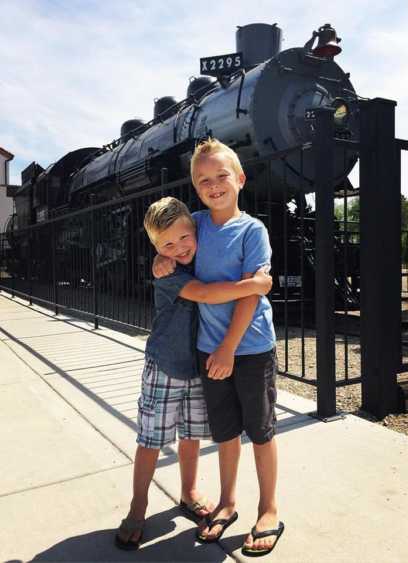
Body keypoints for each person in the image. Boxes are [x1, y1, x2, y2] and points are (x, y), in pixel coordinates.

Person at [115, 196, 272, 551]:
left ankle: (188, 492)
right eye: (166, 245)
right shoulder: (170, 275)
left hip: (199, 366)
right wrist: (253, 286)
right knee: (151, 439)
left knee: (191, 436)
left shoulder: (202, 249)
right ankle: (138, 506)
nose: (179, 247)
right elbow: (204, 294)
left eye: (184, 238)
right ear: (156, 248)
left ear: (194, 231)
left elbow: (209, 244)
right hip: (166, 366)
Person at [153, 139, 284, 557]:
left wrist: (229, 347)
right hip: (210, 350)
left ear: (240, 179)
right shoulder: (195, 223)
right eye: (203, 180)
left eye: (221, 176)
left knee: (260, 432)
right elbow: (170, 243)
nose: (213, 185)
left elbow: (250, 299)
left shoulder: (252, 230)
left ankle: (269, 509)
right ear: (195, 187)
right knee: (226, 433)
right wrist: (160, 260)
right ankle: (228, 502)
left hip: (249, 348)